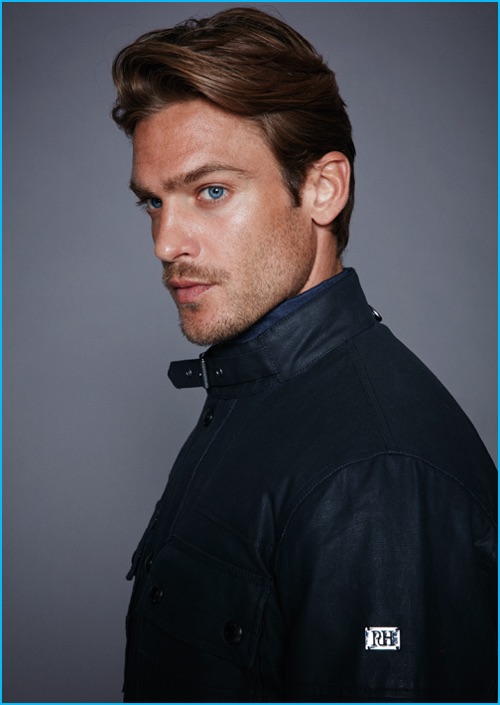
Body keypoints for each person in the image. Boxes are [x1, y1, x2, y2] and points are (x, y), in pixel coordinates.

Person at [111, 7, 497, 702]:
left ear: (323, 189)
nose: (167, 242)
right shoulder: (250, 395)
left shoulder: (378, 473)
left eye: (211, 191)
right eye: (154, 203)